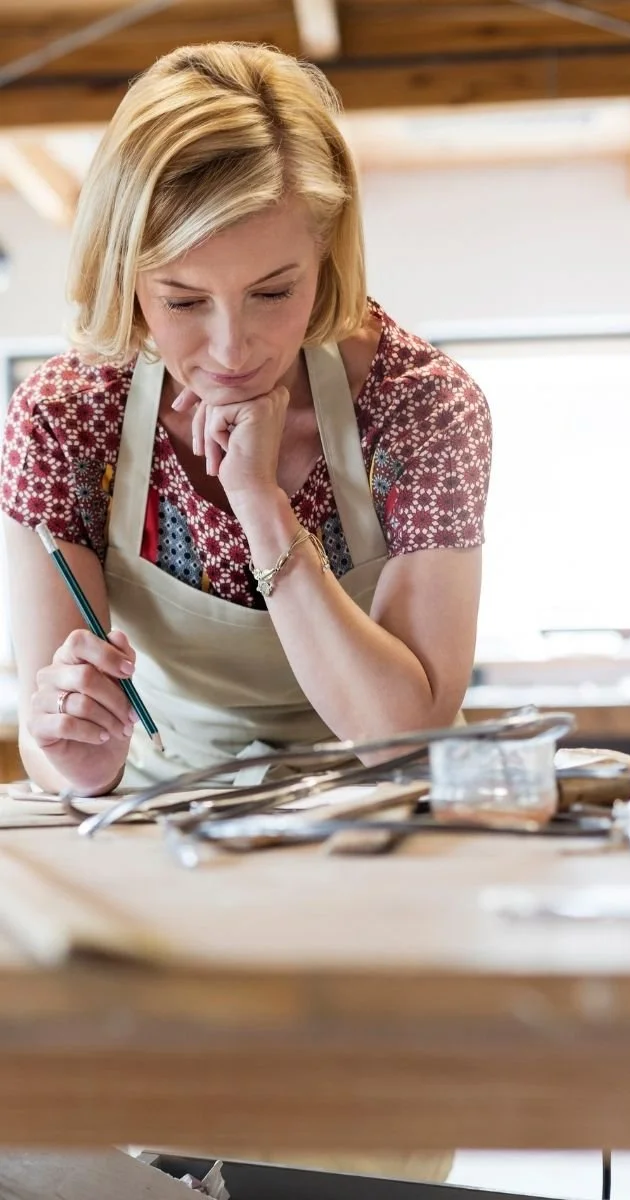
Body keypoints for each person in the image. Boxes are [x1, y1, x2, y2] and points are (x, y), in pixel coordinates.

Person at [0, 42, 491, 797]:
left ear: (325, 256)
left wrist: (261, 503)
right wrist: (76, 751)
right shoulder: (66, 418)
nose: (232, 350)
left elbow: (410, 741)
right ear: (125, 276)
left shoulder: (419, 406)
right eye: (183, 300)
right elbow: (51, 731)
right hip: (165, 810)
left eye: (272, 292)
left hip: (385, 811)